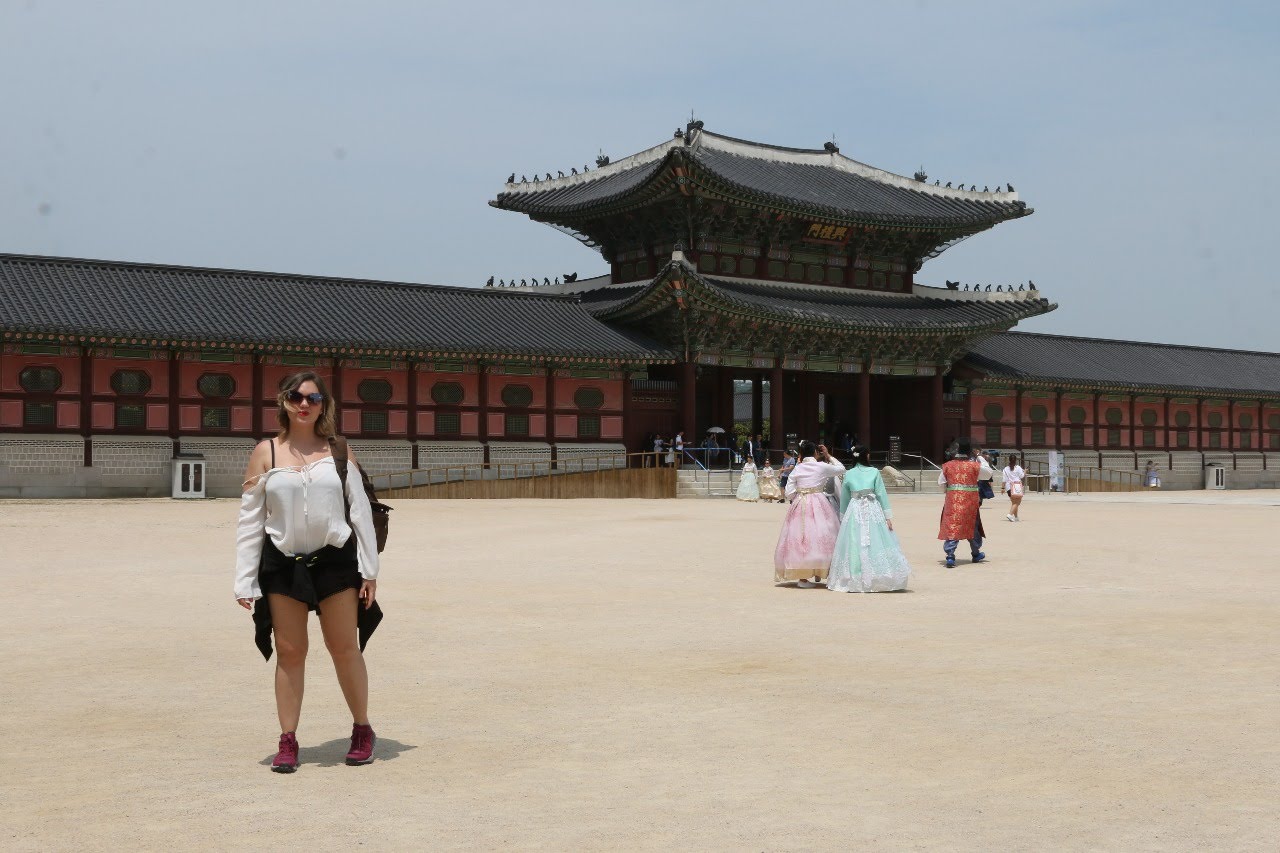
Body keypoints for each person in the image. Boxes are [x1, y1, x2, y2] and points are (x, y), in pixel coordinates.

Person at [234, 371, 382, 773]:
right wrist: (244, 579)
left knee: (343, 647)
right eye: (295, 396)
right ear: (282, 401)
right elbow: (250, 521)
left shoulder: (338, 451)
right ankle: (288, 741)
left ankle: (362, 729)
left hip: (334, 560)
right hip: (282, 561)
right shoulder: (266, 452)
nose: (304, 404)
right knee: (290, 651)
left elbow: (360, 513)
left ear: (324, 404)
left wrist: (369, 570)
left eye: (313, 398)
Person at [828, 443, 911, 592]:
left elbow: (845, 497)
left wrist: (842, 517)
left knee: (854, 539)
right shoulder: (874, 472)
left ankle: (855, 574)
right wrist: (887, 517)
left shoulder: (849, 473)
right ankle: (877, 574)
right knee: (875, 538)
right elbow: (881, 494)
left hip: (854, 508)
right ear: (866, 456)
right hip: (872, 507)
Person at [774, 441, 846, 587]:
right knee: (823, 535)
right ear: (815, 453)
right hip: (819, 502)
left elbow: (788, 493)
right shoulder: (821, 466)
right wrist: (828, 455)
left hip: (800, 502)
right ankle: (824, 571)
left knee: (800, 538)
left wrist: (799, 495)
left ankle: (802, 578)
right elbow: (841, 469)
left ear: (800, 454)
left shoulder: (797, 469)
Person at [937, 438, 990, 568]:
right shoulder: (974, 465)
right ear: (970, 451)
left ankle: (950, 555)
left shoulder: (947, 465)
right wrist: (981, 458)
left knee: (952, 525)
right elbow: (988, 474)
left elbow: (941, 484)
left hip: (952, 501)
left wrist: (949, 491)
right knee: (972, 525)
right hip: (970, 501)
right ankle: (976, 553)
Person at [1002, 454, 1026, 521]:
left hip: (1008, 487)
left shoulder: (1005, 469)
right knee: (1017, 502)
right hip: (1016, 487)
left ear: (1009, 460)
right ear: (1016, 460)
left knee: (1014, 503)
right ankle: (1010, 514)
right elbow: (1022, 476)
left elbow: (1004, 480)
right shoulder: (1018, 468)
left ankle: (1016, 517)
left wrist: (1002, 488)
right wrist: (1025, 472)